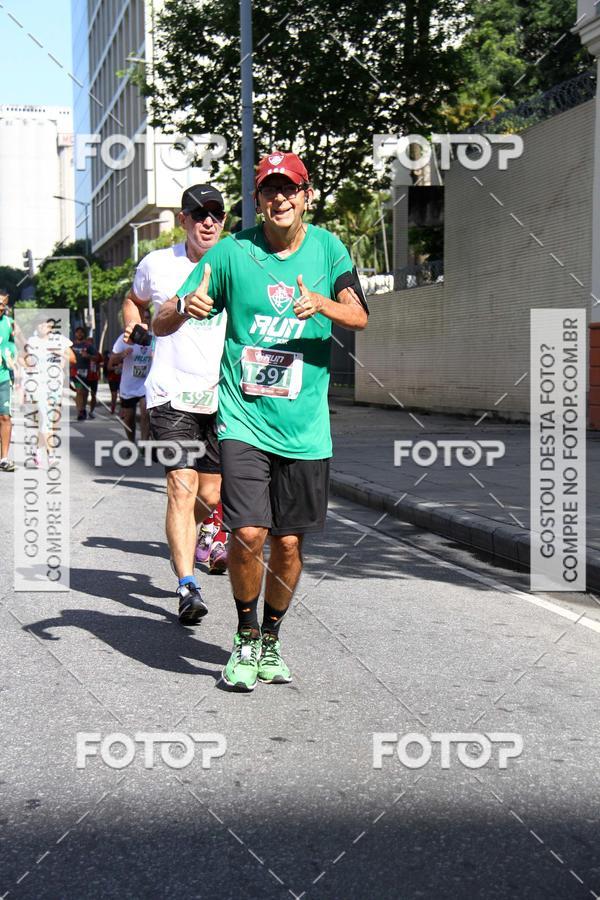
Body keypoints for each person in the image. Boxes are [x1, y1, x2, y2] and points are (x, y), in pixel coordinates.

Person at [158, 151, 369, 691]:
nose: (280, 198)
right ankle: (246, 634)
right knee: (248, 531)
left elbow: (359, 315)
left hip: (305, 429)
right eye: (269, 190)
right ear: (257, 200)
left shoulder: (329, 249)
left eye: (289, 189)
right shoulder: (232, 253)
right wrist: (184, 308)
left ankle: (271, 637)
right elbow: (160, 320)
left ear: (306, 196)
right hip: (244, 420)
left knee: (289, 544)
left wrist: (321, 302)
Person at [123, 184, 229, 624]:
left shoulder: (236, 262)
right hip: (169, 393)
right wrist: (133, 324)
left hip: (221, 395)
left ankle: (198, 533)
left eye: (216, 214)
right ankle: (187, 585)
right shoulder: (157, 264)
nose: (208, 222)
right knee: (181, 487)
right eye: (199, 214)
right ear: (183, 220)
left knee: (210, 494)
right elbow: (134, 300)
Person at [109, 308, 153, 444]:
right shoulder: (125, 339)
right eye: (142, 318)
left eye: (147, 317)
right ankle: (131, 442)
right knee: (128, 418)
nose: (145, 320)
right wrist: (122, 355)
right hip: (128, 385)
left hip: (145, 384)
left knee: (145, 413)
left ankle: (144, 445)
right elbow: (111, 362)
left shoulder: (154, 338)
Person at [0, 291, 16, 471]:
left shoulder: (9, 323)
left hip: (3, 376)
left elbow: (19, 344)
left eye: (3, 304)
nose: (0, 307)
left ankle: (3, 458)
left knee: (5, 416)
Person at [71, 326, 97, 421]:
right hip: (75, 373)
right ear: (75, 334)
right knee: (79, 391)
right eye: (77, 332)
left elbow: (96, 357)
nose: (79, 334)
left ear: (84, 334)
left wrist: (88, 356)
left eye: (81, 332)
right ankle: (80, 411)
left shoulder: (88, 345)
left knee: (85, 393)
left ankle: (83, 409)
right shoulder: (71, 345)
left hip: (86, 373)